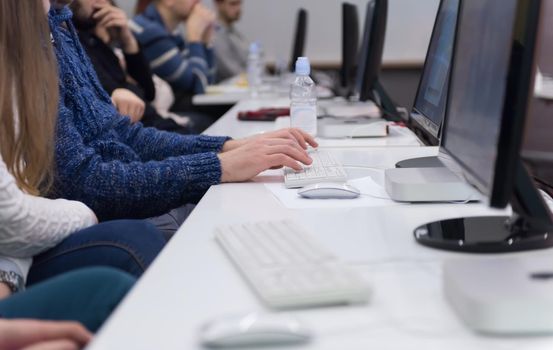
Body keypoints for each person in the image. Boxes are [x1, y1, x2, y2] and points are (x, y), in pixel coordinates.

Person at [48, 2, 318, 237]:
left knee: (249, 208)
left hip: (126, 192)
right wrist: (219, 165)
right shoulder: (40, 37)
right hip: (112, 212)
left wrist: (228, 148)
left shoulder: (62, 24)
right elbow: (87, 182)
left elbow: (127, 135)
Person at [70, 0, 199, 134]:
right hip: (143, 134)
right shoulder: (71, 45)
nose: (104, 2)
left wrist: (128, 41)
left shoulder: (93, 41)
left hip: (154, 127)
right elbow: (192, 83)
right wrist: (196, 39)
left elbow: (149, 93)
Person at [132, 0, 216, 100]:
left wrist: (205, 42)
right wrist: (195, 39)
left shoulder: (172, 33)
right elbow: (198, 88)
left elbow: (208, 83)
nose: (198, 1)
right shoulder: (148, 31)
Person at [213, 0, 249, 82]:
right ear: (218, 4)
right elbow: (233, 72)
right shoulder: (215, 34)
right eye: (233, 4)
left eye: (239, 3)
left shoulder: (234, 33)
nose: (238, 9)